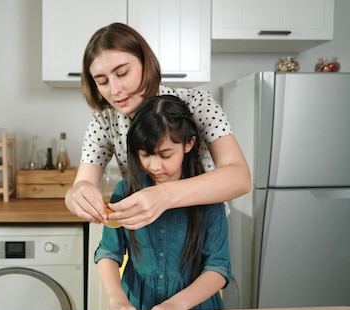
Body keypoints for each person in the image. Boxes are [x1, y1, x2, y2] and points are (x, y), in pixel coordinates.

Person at [65, 22, 251, 230]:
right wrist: (75, 194)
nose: (115, 90)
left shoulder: (197, 104)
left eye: (123, 73)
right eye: (102, 81)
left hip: (202, 234)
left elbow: (240, 178)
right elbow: (83, 184)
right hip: (148, 240)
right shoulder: (103, 121)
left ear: (146, 64)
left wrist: (165, 194)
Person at [94, 95, 230, 310]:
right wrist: (117, 299)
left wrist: (178, 303)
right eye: (145, 155)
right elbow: (108, 252)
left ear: (189, 144)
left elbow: (219, 268)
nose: (154, 166)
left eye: (166, 154)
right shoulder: (126, 190)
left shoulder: (209, 195)